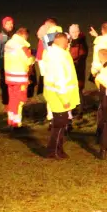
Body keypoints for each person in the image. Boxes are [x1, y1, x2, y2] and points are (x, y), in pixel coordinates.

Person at [39, 30, 79, 159]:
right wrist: (65, 99)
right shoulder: (59, 58)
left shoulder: (52, 53)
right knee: (60, 125)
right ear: (63, 43)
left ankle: (57, 150)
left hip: (54, 95)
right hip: (60, 97)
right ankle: (53, 151)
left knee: (60, 124)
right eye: (67, 42)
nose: (69, 45)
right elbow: (60, 80)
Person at [2, 25, 34, 127]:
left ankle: (10, 120)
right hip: (19, 77)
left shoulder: (9, 43)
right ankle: (16, 122)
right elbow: (29, 60)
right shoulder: (22, 46)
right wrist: (33, 57)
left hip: (9, 76)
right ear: (24, 35)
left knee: (12, 99)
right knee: (19, 100)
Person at [66, 23, 90, 110]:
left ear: (79, 32)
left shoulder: (81, 41)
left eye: (76, 31)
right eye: (73, 32)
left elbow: (82, 54)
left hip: (78, 69)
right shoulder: (69, 41)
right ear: (70, 32)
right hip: (70, 70)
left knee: (79, 90)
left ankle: (80, 110)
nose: (75, 33)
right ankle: (72, 109)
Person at [0, 15, 14, 106]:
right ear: (4, 25)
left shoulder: (14, 36)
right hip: (4, 63)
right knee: (4, 81)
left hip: (13, 63)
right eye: (8, 24)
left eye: (11, 23)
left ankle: (12, 98)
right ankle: (5, 99)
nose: (10, 25)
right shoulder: (0, 37)